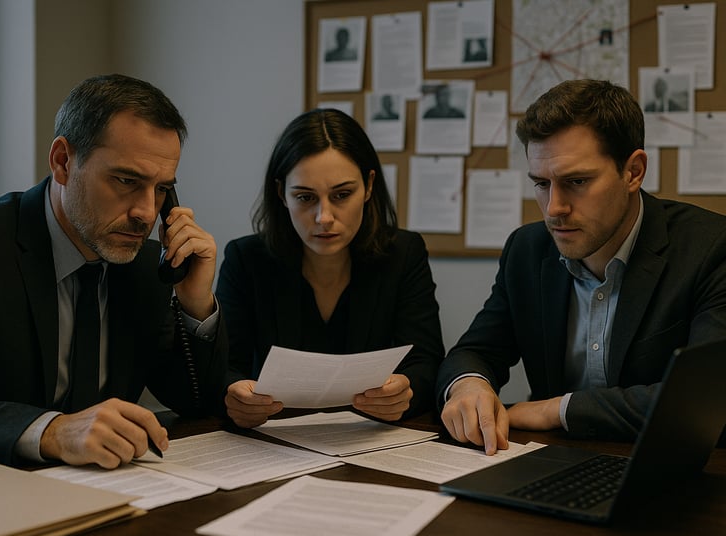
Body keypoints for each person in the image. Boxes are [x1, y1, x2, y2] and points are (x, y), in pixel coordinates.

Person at [437, 79, 726, 455]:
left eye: (576, 181)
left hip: (670, 471)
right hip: (550, 463)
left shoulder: (710, 248)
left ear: (633, 172)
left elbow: (706, 401)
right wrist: (468, 384)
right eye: (541, 183)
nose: (554, 207)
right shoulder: (526, 250)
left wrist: (559, 410)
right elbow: (475, 351)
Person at [0, 74, 227, 469]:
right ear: (63, 162)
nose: (146, 213)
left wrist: (195, 303)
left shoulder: (145, 265)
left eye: (160, 189)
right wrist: (53, 431)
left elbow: (196, 402)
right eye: (126, 180)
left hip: (110, 490)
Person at [216, 108, 444, 429]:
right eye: (305, 197)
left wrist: (405, 391)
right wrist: (233, 394)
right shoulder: (245, 259)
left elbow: (426, 360)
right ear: (281, 193)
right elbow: (226, 368)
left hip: (369, 439)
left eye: (341, 194)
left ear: (368, 186)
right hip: (271, 444)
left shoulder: (403, 253)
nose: (324, 217)